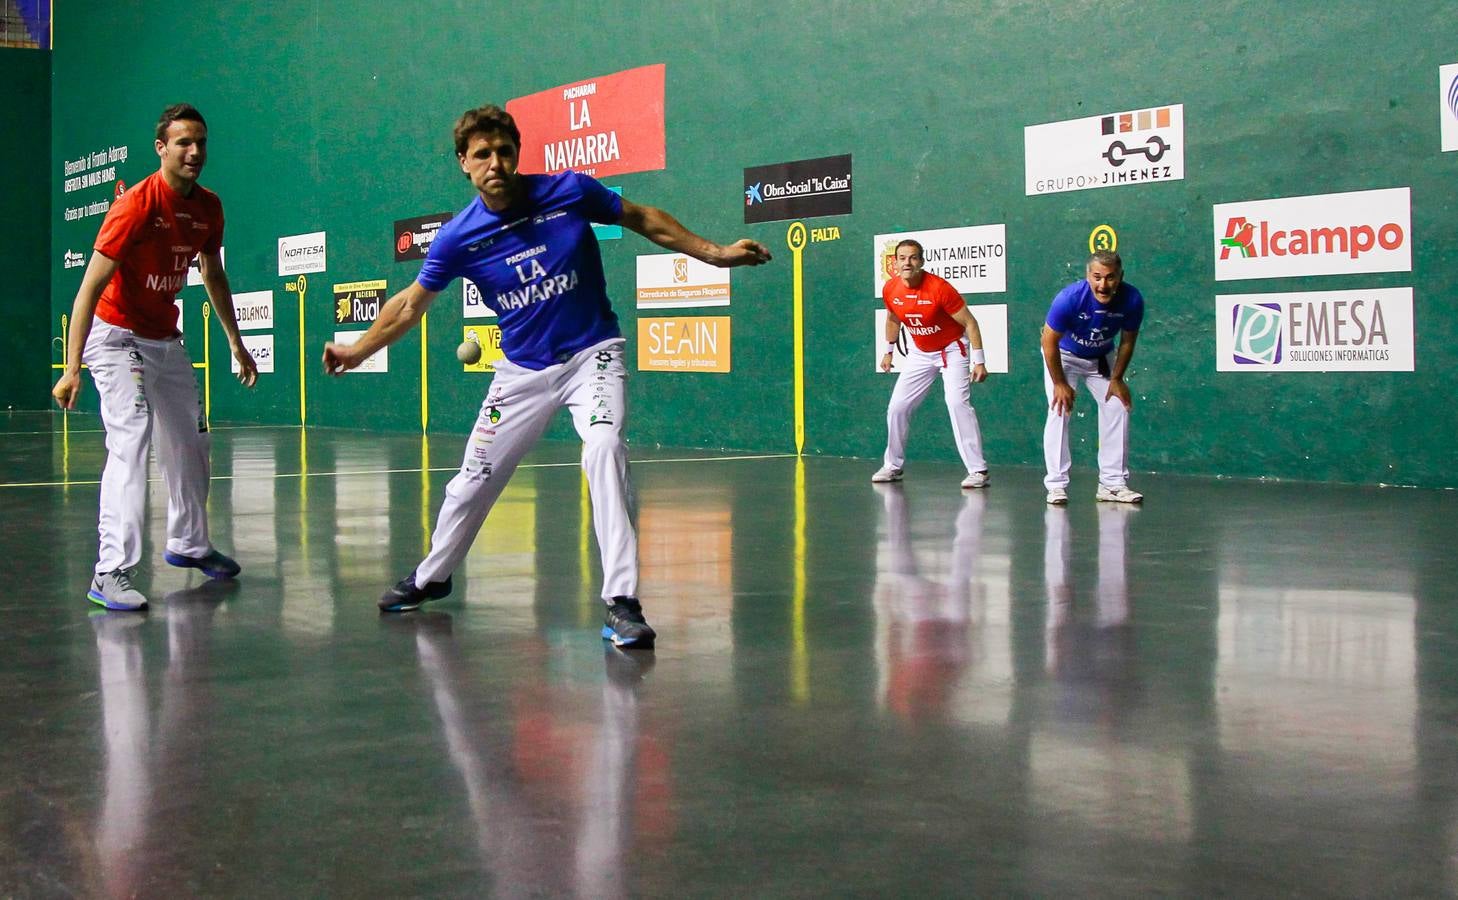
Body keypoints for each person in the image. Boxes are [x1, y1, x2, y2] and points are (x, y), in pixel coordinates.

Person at [322, 104, 771, 647]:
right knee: (471, 483)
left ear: (518, 155)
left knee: (604, 446)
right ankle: (432, 576)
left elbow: (642, 217)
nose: (496, 163)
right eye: (482, 154)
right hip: (521, 372)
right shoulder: (457, 238)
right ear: (464, 163)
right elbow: (410, 306)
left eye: (505, 151)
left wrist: (715, 254)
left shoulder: (569, 191)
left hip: (593, 354)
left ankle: (622, 601)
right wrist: (358, 349)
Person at [52, 104, 258, 611]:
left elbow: (213, 274)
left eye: (201, 143)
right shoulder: (137, 205)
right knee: (133, 437)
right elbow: (88, 289)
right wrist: (72, 366)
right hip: (116, 336)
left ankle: (189, 543)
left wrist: (235, 341)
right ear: (161, 148)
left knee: (191, 438)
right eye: (183, 142)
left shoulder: (209, 207)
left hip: (165, 340)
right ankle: (110, 570)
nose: (194, 152)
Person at [872, 239, 990, 488]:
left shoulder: (939, 288)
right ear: (895, 262)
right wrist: (888, 352)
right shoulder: (891, 289)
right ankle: (893, 465)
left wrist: (979, 361)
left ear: (921, 262)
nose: (907, 262)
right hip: (920, 352)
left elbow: (970, 323)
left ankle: (978, 470)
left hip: (952, 349)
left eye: (913, 258)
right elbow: (893, 319)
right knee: (897, 407)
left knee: (957, 403)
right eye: (902, 258)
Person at [1040, 250, 1144, 505]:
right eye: (1097, 277)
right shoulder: (1070, 299)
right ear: (1088, 276)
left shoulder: (1132, 299)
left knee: (1118, 405)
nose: (1103, 285)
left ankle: (1112, 483)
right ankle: (1056, 484)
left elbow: (1128, 341)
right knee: (1059, 409)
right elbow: (1048, 342)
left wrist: (1117, 378)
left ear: (1120, 277)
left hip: (1100, 358)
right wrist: (1060, 383)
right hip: (1064, 356)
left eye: (1110, 278)